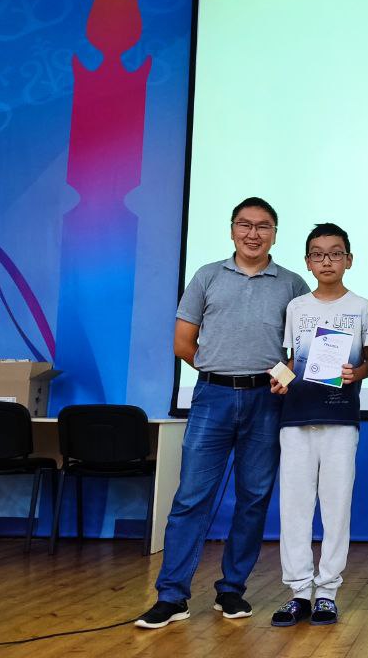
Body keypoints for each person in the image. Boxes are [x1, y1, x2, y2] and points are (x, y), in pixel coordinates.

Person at [135, 197, 309, 629]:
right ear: (232, 229)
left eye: (263, 226)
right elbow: (183, 343)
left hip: (266, 401)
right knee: (191, 497)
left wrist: (282, 376)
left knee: (253, 498)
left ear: (275, 234)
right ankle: (171, 596)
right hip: (212, 397)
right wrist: (221, 369)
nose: (253, 233)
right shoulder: (207, 276)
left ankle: (232, 590)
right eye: (245, 225)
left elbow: (305, 349)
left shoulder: (292, 284)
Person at [268, 223, 368, 627]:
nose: (326, 261)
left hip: (340, 419)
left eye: (335, 253)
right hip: (295, 418)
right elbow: (290, 358)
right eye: (318, 254)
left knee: (336, 507)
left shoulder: (361, 306)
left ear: (349, 259)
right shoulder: (297, 307)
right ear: (307, 262)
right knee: (294, 508)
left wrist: (357, 373)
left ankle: (327, 592)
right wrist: (279, 380)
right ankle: (298, 591)